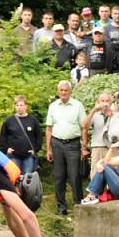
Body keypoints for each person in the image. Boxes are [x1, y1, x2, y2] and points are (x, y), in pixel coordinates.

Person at [46, 81, 88, 215]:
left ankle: (78, 205)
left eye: (66, 90)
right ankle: (61, 207)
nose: (63, 93)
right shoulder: (53, 106)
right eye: (61, 90)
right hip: (57, 143)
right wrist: (48, 149)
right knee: (59, 176)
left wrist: (84, 147)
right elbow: (49, 128)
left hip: (73, 144)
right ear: (58, 91)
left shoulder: (78, 105)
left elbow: (84, 127)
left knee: (74, 175)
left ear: (70, 92)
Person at [80, 140, 119, 204]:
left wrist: (111, 148)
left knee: (104, 167)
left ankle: (92, 195)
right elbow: (104, 160)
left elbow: (106, 162)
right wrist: (98, 163)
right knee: (105, 167)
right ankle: (93, 195)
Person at [82, 92, 119, 177]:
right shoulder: (95, 114)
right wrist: (93, 110)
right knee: (96, 173)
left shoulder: (116, 113)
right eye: (102, 100)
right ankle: (95, 190)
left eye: (107, 101)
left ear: (111, 102)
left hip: (112, 147)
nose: (105, 103)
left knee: (113, 173)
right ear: (98, 102)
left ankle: (110, 190)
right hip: (98, 146)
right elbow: (84, 126)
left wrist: (112, 114)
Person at [0, 95, 42, 174]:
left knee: (27, 178)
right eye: (17, 105)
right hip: (14, 155)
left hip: (28, 156)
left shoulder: (33, 120)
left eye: (21, 105)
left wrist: (35, 149)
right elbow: (2, 136)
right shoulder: (9, 120)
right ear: (15, 106)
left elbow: (39, 136)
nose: (19, 107)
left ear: (26, 106)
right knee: (15, 177)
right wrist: (6, 149)